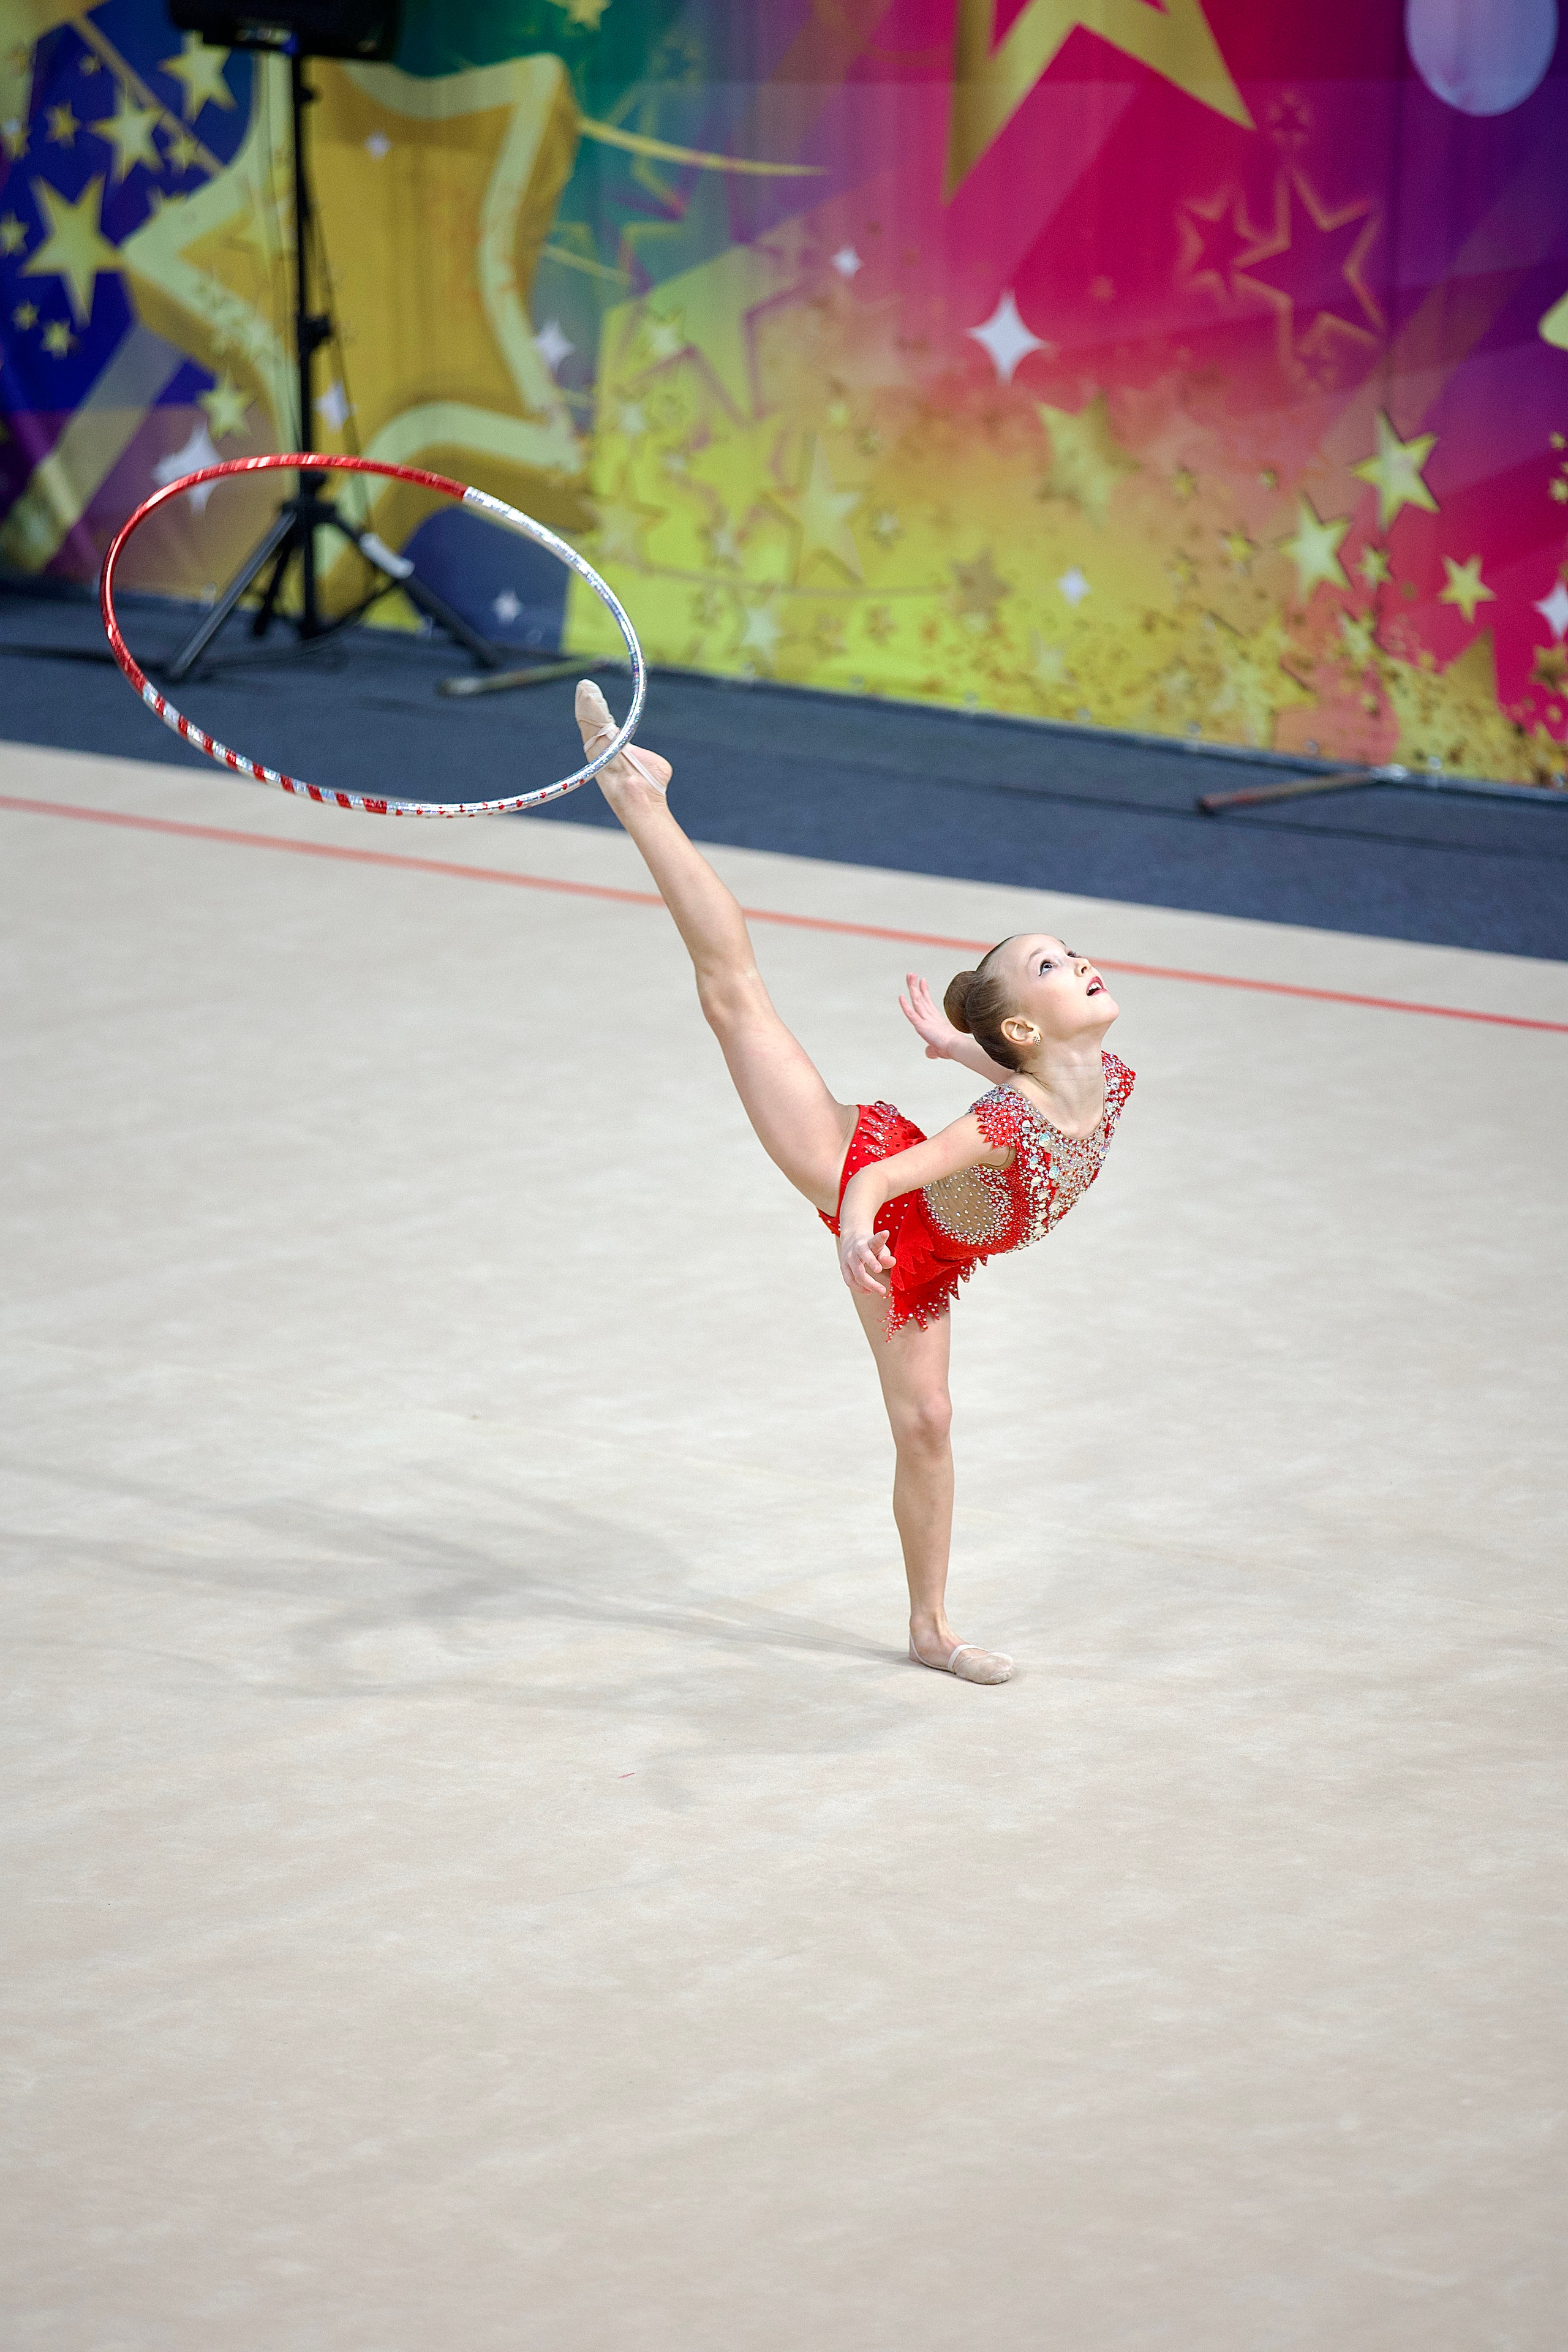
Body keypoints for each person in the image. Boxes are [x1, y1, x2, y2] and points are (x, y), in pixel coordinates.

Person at [574, 680, 1134, 1686]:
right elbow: (887, 1172)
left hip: (937, 1241)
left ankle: (930, 1630)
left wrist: (953, 1046)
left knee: (928, 1423)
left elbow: (1030, 1081)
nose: (1081, 962)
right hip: (870, 1192)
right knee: (735, 995)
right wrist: (850, 1226)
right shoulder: (1003, 1119)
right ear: (1025, 1025)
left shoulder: (1099, 1079)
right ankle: (638, 795)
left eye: (1070, 953)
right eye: (1053, 964)